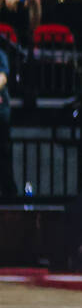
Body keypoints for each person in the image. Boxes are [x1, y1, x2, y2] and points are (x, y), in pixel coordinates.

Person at [0, 42, 16, 198]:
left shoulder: (1, 55)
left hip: (1, 115)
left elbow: (2, 78)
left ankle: (10, 196)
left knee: (4, 157)